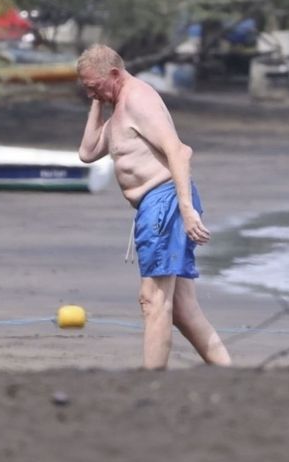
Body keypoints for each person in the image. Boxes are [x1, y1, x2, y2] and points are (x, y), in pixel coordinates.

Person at [77, 44, 232, 370]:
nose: (92, 93)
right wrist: (97, 100)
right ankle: (229, 373)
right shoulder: (118, 105)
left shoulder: (138, 99)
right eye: (88, 89)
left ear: (115, 74)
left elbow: (177, 151)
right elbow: (88, 152)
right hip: (156, 205)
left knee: (153, 300)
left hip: (165, 202)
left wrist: (187, 211)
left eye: (95, 86)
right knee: (182, 308)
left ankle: (153, 380)